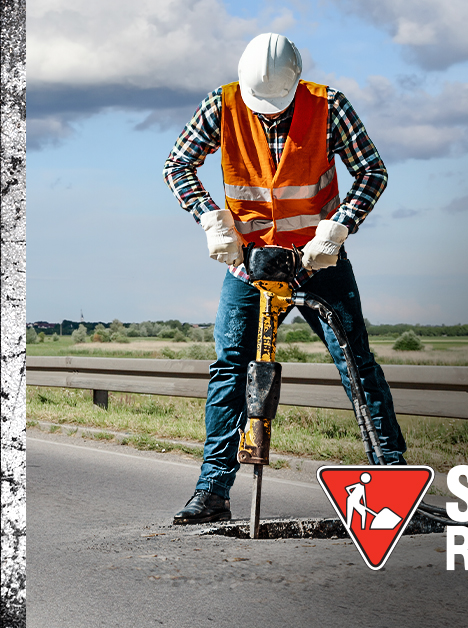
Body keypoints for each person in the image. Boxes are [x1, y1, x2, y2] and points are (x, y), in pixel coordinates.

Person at [163, 33, 407, 525]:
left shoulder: (329, 105)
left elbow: (372, 173)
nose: (269, 113)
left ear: (296, 83)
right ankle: (212, 491)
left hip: (317, 261)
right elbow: (178, 165)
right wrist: (212, 219)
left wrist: (337, 228)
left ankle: (394, 479)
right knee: (231, 369)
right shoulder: (223, 104)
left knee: (355, 362)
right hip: (249, 264)